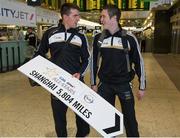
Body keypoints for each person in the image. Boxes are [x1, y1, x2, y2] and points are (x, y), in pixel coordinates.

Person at [33, 3, 90, 137]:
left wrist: (80, 73)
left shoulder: (81, 36)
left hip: (77, 83)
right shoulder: (50, 33)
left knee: (82, 116)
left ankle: (81, 135)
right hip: (57, 83)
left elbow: (87, 59)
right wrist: (40, 72)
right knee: (59, 118)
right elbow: (39, 53)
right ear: (65, 16)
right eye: (75, 15)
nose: (78, 18)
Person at [90, 4, 146, 137]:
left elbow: (139, 63)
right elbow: (94, 62)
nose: (101, 19)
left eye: (103, 16)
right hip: (105, 85)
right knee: (107, 118)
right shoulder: (99, 38)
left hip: (124, 84)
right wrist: (93, 83)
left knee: (129, 118)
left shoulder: (129, 38)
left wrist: (142, 86)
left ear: (114, 18)